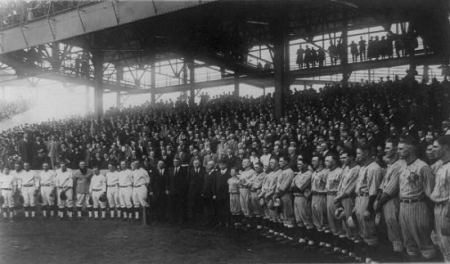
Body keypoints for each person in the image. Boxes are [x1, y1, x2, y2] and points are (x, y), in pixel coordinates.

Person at [398, 138, 436, 261]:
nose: (398, 151)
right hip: (403, 205)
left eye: (401, 149)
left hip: (417, 205)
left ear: (411, 149)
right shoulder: (402, 166)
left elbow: (430, 193)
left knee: (424, 244)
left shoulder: (423, 167)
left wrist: (430, 215)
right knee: (409, 244)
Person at [374, 138, 405, 261]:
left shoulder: (400, 164)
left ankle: (399, 258)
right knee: (388, 230)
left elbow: (391, 189)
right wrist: (378, 198)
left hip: (393, 200)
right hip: (385, 200)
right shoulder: (392, 164)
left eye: (388, 148)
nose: (385, 150)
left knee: (395, 228)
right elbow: (383, 185)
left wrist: (379, 202)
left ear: (396, 149)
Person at [354, 144, 382, 263]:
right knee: (363, 230)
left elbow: (373, 190)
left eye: (359, 153)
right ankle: (367, 258)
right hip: (359, 198)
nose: (357, 156)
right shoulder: (362, 167)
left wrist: (369, 209)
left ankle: (373, 259)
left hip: (367, 199)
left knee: (370, 230)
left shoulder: (374, 168)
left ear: (366, 153)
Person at [334, 149, 360, 259]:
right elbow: (341, 184)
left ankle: (356, 254)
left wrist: (339, 197)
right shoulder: (346, 169)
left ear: (352, 157)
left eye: (345, 157)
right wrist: (338, 197)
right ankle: (349, 251)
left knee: (352, 224)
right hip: (342, 198)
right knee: (345, 224)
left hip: (350, 199)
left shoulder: (357, 169)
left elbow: (351, 188)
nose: (342, 159)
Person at [430, 135, 450, 263]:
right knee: (443, 246)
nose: (433, 150)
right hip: (438, 208)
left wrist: (447, 217)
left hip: (446, 209)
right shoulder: (440, 165)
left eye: (436, 147)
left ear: (446, 147)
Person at [291, 158, 313, 247]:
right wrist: (295, 187)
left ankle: (311, 240)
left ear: (305, 164)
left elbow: (300, 187)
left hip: (303, 197)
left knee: (306, 218)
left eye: (300, 164)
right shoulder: (298, 174)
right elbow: (291, 186)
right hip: (296, 197)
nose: (298, 166)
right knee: (298, 219)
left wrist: (296, 187)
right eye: (297, 164)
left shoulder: (309, 173)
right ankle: (302, 238)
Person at [324, 154, 344, 254]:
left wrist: (339, 201)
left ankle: (341, 247)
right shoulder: (328, 172)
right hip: (328, 196)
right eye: (325, 161)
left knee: (338, 220)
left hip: (336, 196)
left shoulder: (340, 171)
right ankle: (335, 245)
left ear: (334, 161)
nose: (325, 162)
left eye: (328, 161)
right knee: (331, 220)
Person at [237, 158, 256, 229]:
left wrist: (244, 182)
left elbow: (252, 182)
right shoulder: (243, 172)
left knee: (248, 205)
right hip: (241, 190)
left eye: (245, 162)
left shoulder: (252, 172)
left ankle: (250, 224)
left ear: (249, 163)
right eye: (242, 162)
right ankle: (246, 221)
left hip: (247, 190)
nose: (243, 163)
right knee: (243, 206)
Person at [213, 159, 231, 227]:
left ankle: (227, 222)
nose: (221, 166)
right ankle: (220, 221)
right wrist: (214, 193)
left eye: (222, 164)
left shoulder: (229, 173)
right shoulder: (217, 173)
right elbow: (214, 183)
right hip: (218, 193)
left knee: (226, 208)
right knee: (219, 208)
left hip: (226, 193)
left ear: (225, 165)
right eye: (220, 165)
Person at [187, 159, 204, 225]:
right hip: (192, 191)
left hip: (200, 190)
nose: (196, 164)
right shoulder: (190, 171)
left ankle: (200, 220)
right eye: (195, 163)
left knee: (200, 206)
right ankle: (192, 220)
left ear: (199, 164)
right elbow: (187, 181)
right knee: (192, 205)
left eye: (197, 163)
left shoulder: (203, 170)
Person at [202, 160, 216, 226]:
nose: (208, 166)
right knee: (206, 208)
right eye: (207, 164)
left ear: (213, 166)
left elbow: (215, 185)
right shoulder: (206, 174)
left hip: (212, 194)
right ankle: (207, 221)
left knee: (212, 208)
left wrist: (214, 194)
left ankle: (213, 222)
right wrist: (203, 192)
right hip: (205, 193)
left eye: (210, 165)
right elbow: (203, 184)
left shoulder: (216, 173)